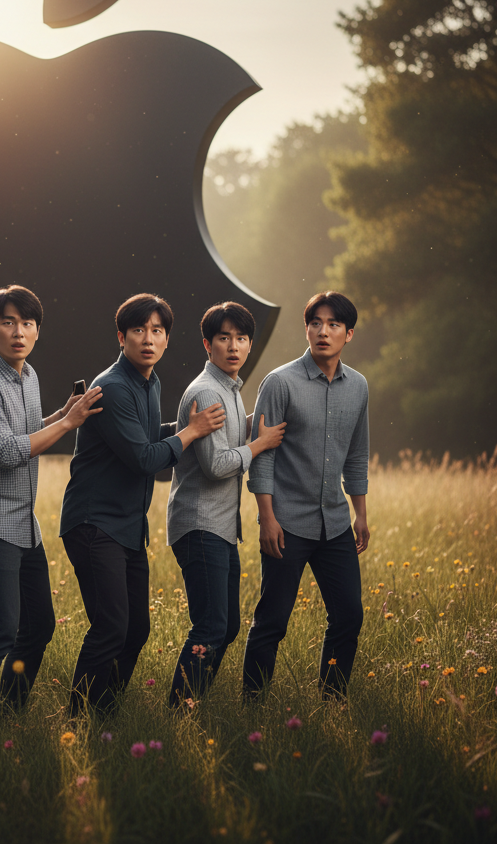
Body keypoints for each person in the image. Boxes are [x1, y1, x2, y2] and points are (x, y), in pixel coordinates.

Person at [59, 293, 227, 715]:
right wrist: (190, 432)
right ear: (122, 337)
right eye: (138, 330)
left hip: (127, 527)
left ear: (167, 339)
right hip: (94, 523)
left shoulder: (149, 382)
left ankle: (104, 712)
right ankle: (79, 718)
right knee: (111, 627)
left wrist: (186, 427)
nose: (148, 339)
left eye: (157, 331)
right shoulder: (114, 387)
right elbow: (145, 458)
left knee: (136, 629)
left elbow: (147, 436)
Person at [0, 284, 103, 718]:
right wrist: (69, 424)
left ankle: (10, 710)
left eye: (27, 323)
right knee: (0, 628)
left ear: (38, 330)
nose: (18, 332)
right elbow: (5, 451)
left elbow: (24, 431)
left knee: (38, 625)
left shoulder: (28, 375)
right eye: (8, 323)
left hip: (23, 524)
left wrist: (62, 415)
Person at [242, 291, 370, 700]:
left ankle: (332, 700)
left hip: (335, 523)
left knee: (348, 615)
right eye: (315, 323)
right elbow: (262, 456)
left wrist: (360, 513)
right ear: (307, 329)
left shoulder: (358, 386)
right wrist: (267, 518)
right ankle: (253, 705)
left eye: (333, 324)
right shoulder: (280, 383)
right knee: (273, 621)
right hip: (287, 524)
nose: (323, 331)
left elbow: (357, 454)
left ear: (349, 333)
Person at [165, 301, 286, 704]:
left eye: (241, 338)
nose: (233, 346)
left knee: (227, 625)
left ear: (250, 344)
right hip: (200, 524)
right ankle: (181, 709)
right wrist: (260, 444)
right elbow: (216, 465)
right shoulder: (206, 392)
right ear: (207, 344)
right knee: (211, 627)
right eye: (223, 338)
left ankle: (191, 700)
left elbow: (228, 438)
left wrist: (258, 423)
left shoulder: (229, 389)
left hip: (219, 527)